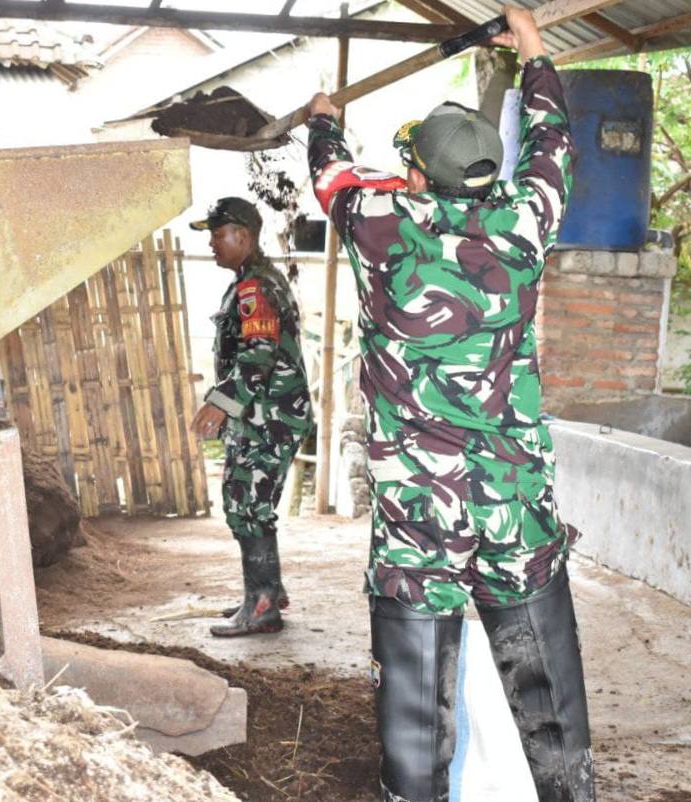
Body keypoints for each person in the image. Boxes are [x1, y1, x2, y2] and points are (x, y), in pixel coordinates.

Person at [304, 6, 594, 801]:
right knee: (546, 684)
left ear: (418, 174)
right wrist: (534, 50)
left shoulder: (378, 224)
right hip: (513, 496)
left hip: (418, 504)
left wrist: (324, 120)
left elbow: (330, 173)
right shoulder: (526, 220)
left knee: (414, 697)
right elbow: (553, 142)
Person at [188, 197, 313, 638]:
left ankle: (261, 606)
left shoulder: (254, 289)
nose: (212, 242)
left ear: (243, 235)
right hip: (270, 414)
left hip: (269, 417)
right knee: (253, 504)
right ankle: (267, 592)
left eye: (218, 234)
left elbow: (257, 358)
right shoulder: (254, 281)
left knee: (245, 505)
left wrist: (219, 404)